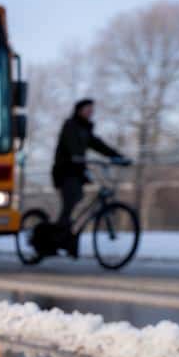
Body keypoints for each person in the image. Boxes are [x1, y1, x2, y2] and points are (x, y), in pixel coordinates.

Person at [51, 99, 128, 253]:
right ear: (80, 110)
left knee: (78, 198)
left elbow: (99, 145)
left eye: (92, 110)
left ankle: (67, 235)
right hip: (65, 171)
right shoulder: (70, 126)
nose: (91, 112)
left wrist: (118, 157)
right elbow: (72, 146)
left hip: (78, 172)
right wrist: (76, 156)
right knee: (70, 202)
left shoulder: (86, 130)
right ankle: (57, 238)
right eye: (88, 109)